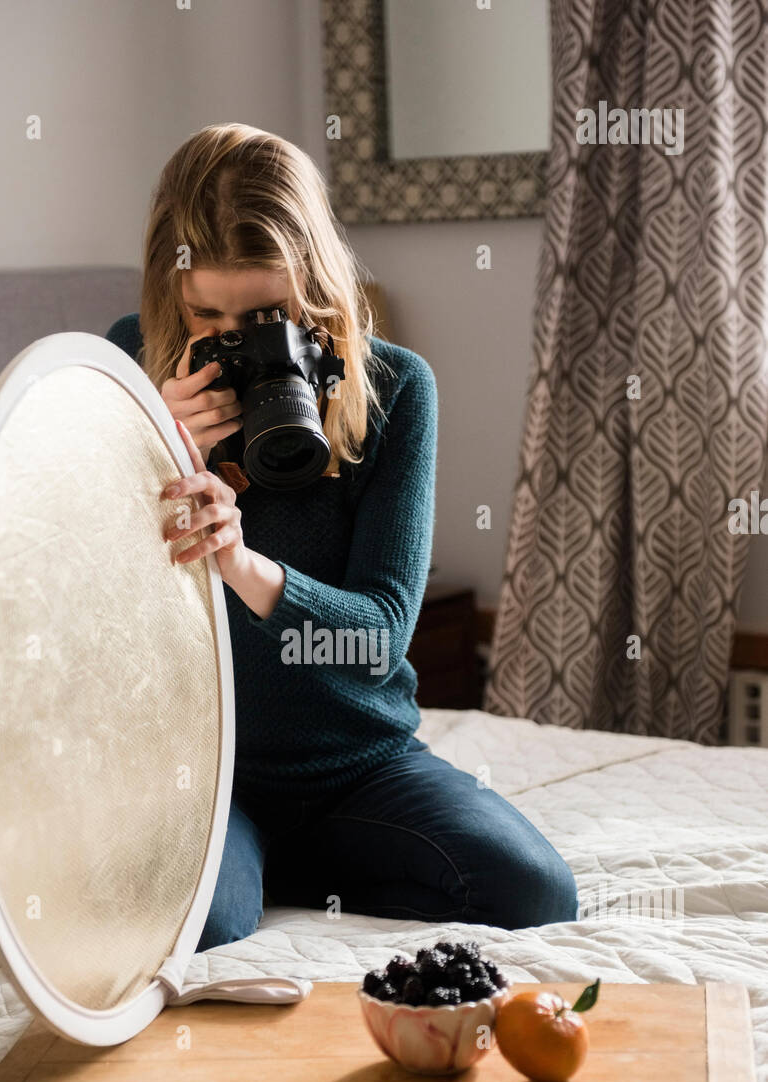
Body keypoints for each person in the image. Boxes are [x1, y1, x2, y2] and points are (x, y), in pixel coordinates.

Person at [106, 123, 578, 950]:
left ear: (313, 289)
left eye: (265, 316)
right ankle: (253, 866)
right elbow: (81, 601)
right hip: (206, 775)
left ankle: (282, 867)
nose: (232, 342)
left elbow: (377, 639)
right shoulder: (126, 366)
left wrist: (242, 564)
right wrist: (146, 447)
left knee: (534, 888)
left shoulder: (396, 388)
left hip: (359, 764)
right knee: (202, 928)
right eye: (205, 314)